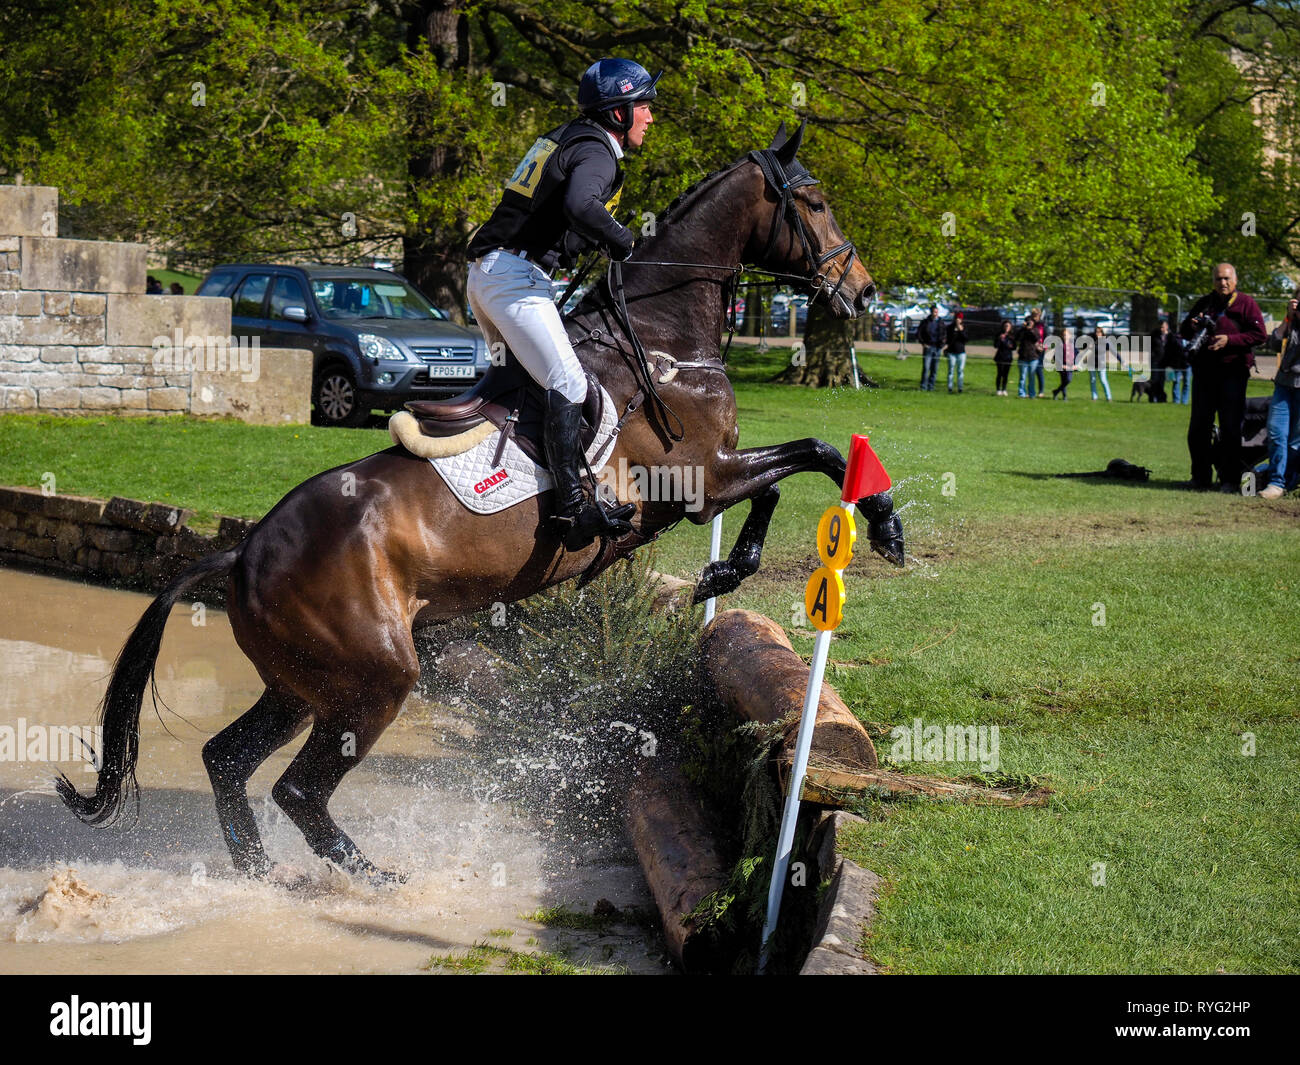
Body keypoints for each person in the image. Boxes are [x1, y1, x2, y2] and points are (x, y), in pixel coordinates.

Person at [465, 57, 660, 547]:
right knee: (569, 383)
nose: (650, 117)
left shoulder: (568, 136)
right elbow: (580, 206)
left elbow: (556, 213)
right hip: (514, 281)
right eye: (643, 106)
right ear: (618, 112)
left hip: (490, 275)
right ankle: (572, 511)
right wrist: (621, 239)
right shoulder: (598, 150)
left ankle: (506, 484)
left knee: (519, 385)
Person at [1178, 262, 1268, 492]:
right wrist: (1192, 324)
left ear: (1235, 281)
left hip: (1233, 374)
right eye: (1218, 279)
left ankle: (1229, 479)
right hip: (1204, 374)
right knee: (1198, 428)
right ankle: (1200, 477)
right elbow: (1184, 331)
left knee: (1230, 428)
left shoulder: (1246, 304)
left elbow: (1260, 335)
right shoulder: (1205, 303)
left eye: (1227, 278)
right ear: (1213, 281)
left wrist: (1230, 340)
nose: (1223, 283)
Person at [1259, 289, 1300, 499]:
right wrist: (1287, 319)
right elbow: (1273, 344)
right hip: (1284, 384)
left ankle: (1290, 481)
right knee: (1276, 433)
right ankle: (1276, 482)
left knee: (1295, 440)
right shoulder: (1291, 321)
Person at [1147, 319, 1176, 402]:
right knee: (1154, 379)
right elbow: (1149, 347)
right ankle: (1152, 398)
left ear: (1167, 326)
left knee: (1161, 381)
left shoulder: (1170, 336)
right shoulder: (1154, 334)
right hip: (1155, 361)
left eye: (1162, 327)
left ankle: (1161, 398)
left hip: (1165, 362)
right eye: (1160, 327)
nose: (1161, 329)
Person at [917, 305, 944, 391]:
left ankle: (931, 386)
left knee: (934, 369)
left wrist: (942, 344)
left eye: (936, 312)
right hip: (928, 347)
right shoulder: (925, 322)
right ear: (931, 312)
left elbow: (944, 334)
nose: (935, 314)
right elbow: (919, 333)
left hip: (937, 348)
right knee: (926, 368)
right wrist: (923, 343)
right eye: (933, 312)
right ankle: (923, 386)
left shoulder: (941, 322)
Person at [1165, 320, 1190, 404]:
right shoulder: (1175, 337)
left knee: (1186, 383)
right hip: (1177, 364)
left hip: (1188, 364)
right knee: (1176, 382)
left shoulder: (1192, 336)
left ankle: (1184, 401)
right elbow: (1170, 350)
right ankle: (1176, 401)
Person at [1015, 314, 1040, 397]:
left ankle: (1032, 393)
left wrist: (1030, 330)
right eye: (1028, 322)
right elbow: (1017, 338)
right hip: (1023, 356)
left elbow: (1036, 338)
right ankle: (1021, 393)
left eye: (1031, 322)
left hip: (1033, 356)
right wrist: (1023, 329)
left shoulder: (1035, 330)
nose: (1029, 323)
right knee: (1022, 377)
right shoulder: (1022, 330)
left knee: (1032, 377)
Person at [1087, 324, 1112, 401]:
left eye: (1099, 332)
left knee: (1103, 380)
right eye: (1096, 332)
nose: (1097, 333)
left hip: (1101, 364)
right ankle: (1094, 397)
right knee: (1093, 380)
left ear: (1102, 333)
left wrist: (1121, 360)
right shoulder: (1091, 341)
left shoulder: (1105, 342)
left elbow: (1113, 351)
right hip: (1092, 364)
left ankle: (1109, 397)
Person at [945, 312, 967, 392]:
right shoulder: (950, 327)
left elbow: (965, 339)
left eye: (960, 318)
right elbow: (948, 339)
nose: (958, 320)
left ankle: (960, 387)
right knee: (951, 370)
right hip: (951, 352)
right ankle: (950, 387)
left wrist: (961, 330)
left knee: (960, 370)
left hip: (961, 352)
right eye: (957, 318)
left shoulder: (964, 327)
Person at [1051, 327, 1076, 399]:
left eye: (1067, 335)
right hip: (1062, 366)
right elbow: (1056, 356)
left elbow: (1076, 355)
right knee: (1064, 380)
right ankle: (1064, 396)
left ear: (1070, 336)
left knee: (1068, 380)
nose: (1065, 336)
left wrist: (1076, 364)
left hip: (1070, 365)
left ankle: (1056, 391)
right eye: (1064, 335)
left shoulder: (1072, 345)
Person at [993, 320, 1015, 395]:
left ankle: (1004, 389)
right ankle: (998, 389)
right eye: (1005, 326)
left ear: (1010, 327)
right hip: (1000, 356)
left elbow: (1014, 347)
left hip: (1008, 357)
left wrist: (1010, 345)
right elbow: (995, 345)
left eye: (1008, 326)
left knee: (1006, 374)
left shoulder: (1012, 336)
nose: (1006, 327)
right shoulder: (999, 334)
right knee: (1000, 373)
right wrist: (999, 339)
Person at [1030, 308, 1048, 397]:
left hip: (1040, 350)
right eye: (1033, 316)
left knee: (1038, 369)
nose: (1035, 318)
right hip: (1031, 349)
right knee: (1030, 370)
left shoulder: (1042, 325)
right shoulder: (1030, 324)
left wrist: (1043, 347)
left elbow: (1046, 337)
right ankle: (1030, 390)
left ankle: (1041, 391)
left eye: (1036, 316)